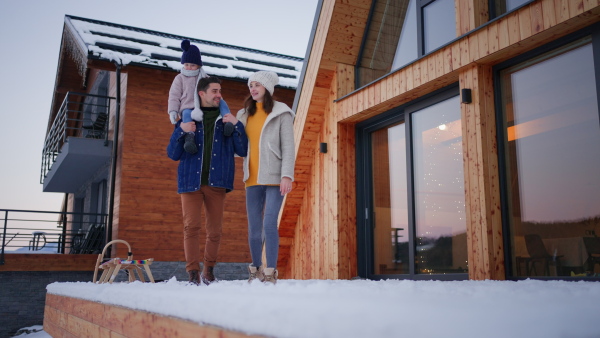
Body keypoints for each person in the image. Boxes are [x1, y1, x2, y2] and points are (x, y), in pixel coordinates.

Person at [167, 76, 248, 285]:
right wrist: (181, 132)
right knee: (191, 228)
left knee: (215, 231)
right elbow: (173, 154)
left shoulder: (226, 120)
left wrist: (237, 124)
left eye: (220, 91)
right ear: (201, 93)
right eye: (214, 91)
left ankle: (209, 270)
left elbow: (242, 149)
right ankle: (193, 273)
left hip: (218, 182)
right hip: (190, 182)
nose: (219, 95)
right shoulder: (187, 119)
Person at [237, 71, 295, 284]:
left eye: (257, 85)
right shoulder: (243, 114)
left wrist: (287, 175)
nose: (252, 88)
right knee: (253, 228)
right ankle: (255, 269)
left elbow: (289, 147)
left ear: (267, 88)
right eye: (251, 85)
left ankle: (270, 272)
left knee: (269, 223)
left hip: (274, 177)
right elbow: (239, 148)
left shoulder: (282, 113)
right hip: (251, 178)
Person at [168, 39, 235, 154]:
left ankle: (227, 121)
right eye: (186, 64)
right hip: (187, 106)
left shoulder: (204, 77)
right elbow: (174, 95)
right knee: (186, 114)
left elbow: (213, 91)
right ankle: (189, 137)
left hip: (204, 105)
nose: (188, 67)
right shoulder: (180, 78)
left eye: (192, 65)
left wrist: (217, 98)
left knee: (222, 101)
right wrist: (173, 111)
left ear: (198, 65)